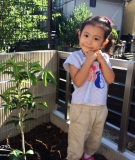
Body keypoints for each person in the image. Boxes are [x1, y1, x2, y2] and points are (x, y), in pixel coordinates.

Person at [63, 16, 115, 160]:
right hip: (81, 107)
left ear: (103, 43)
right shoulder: (75, 57)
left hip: (100, 107)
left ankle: (87, 156)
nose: (89, 41)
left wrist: (101, 61)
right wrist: (89, 60)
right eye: (86, 35)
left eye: (96, 38)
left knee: (95, 138)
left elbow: (110, 79)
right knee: (77, 139)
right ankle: (74, 157)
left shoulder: (104, 58)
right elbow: (78, 81)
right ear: (80, 35)